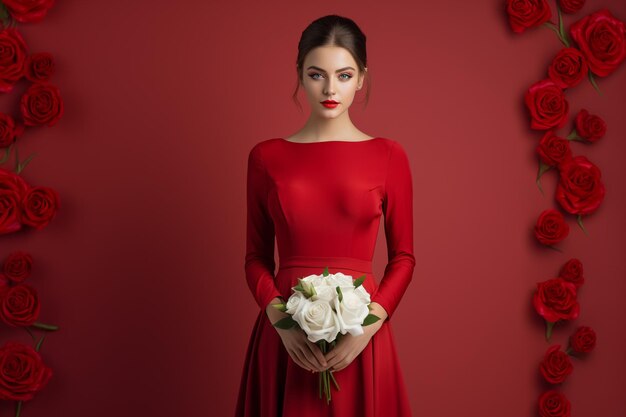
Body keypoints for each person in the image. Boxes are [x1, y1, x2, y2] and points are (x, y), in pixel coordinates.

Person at [235, 14, 415, 417]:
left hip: (362, 339)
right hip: (285, 342)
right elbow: (255, 259)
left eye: (344, 75)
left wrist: (368, 327)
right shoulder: (266, 158)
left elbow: (404, 257)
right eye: (317, 74)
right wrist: (281, 323)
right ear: (299, 74)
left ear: (362, 78)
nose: (331, 89)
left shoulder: (389, 155)